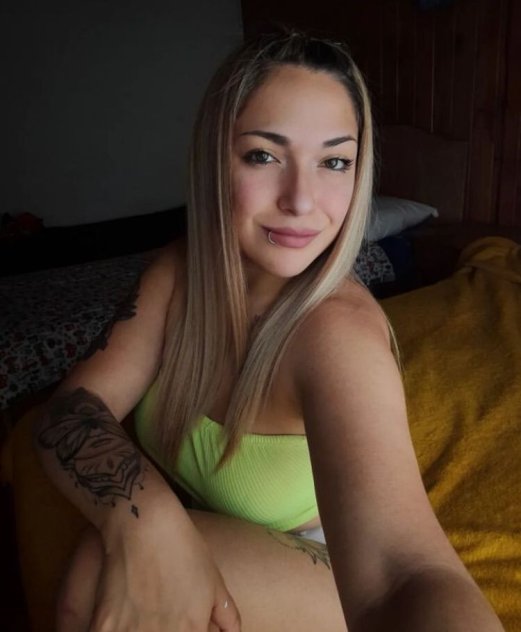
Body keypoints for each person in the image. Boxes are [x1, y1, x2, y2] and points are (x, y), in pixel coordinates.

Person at [32, 31, 504, 631]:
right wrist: (148, 520)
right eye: (263, 156)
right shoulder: (179, 272)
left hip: (323, 572)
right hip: (221, 532)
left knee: (93, 570)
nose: (301, 201)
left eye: (335, 161)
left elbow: (402, 574)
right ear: (213, 159)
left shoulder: (336, 335)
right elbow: (73, 407)